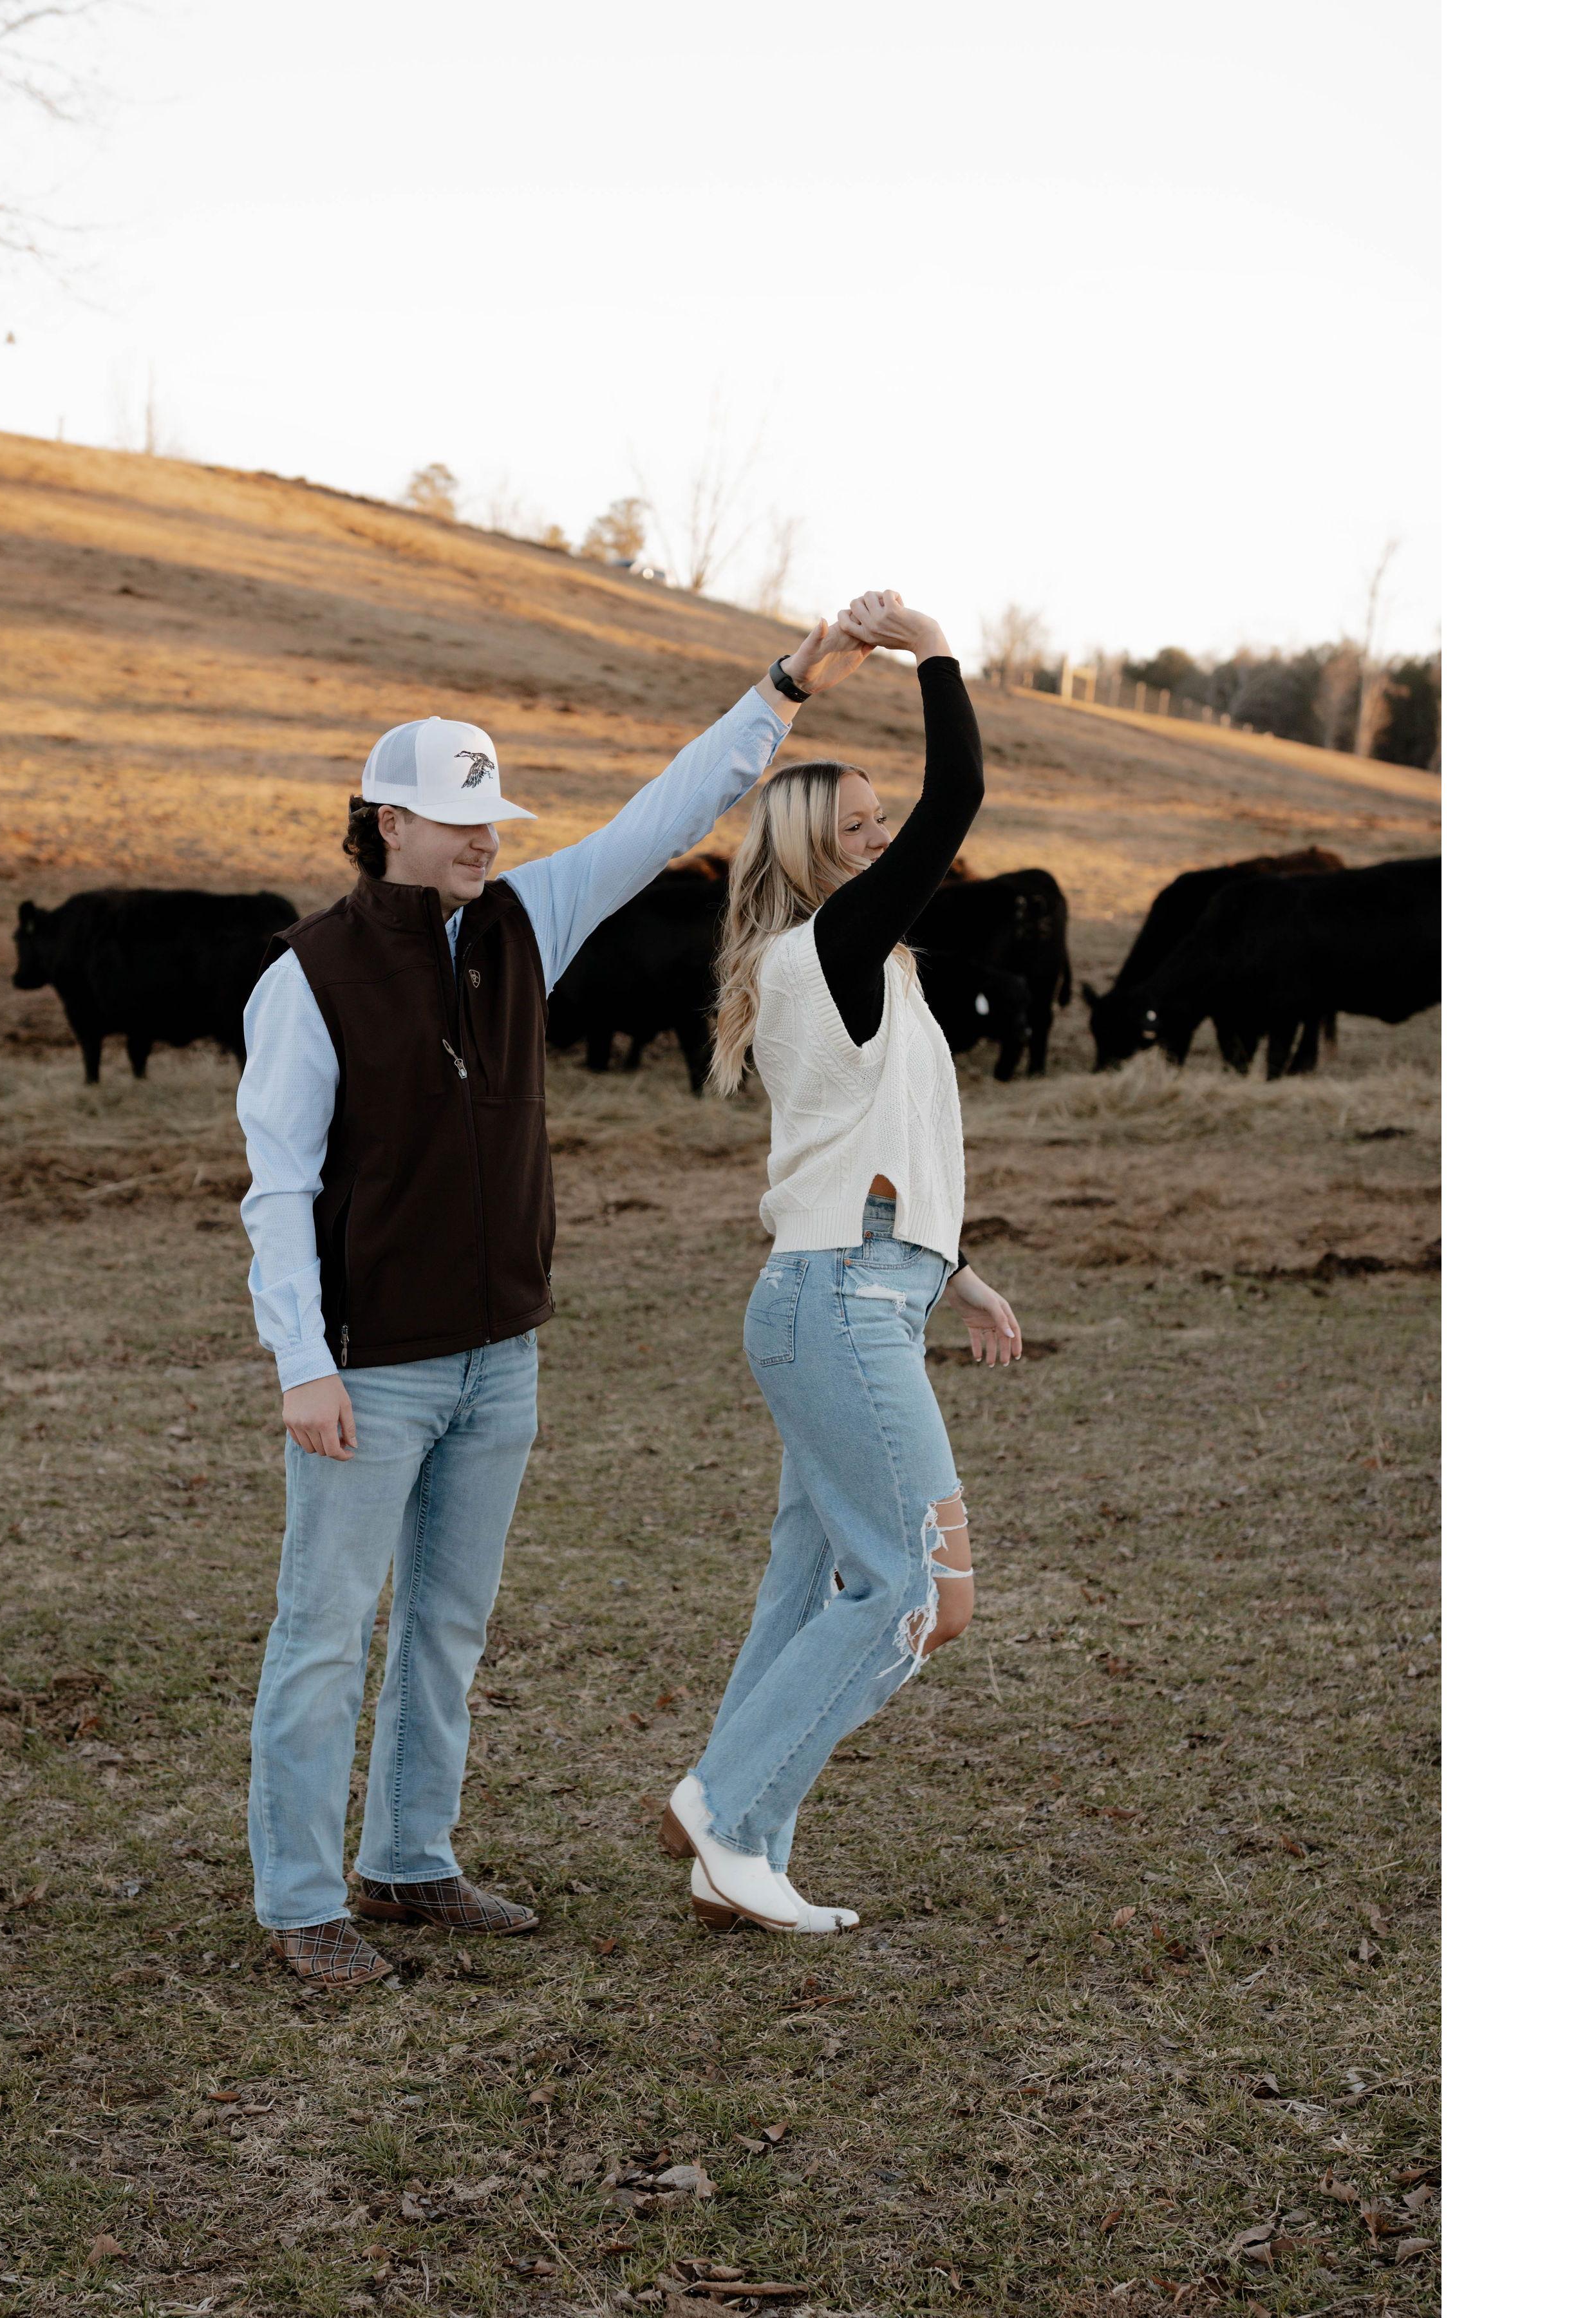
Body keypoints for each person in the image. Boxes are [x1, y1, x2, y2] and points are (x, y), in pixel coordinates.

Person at [236, 617, 876, 1986]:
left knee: (448, 1625)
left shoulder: (529, 918)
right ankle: (299, 1899)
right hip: (369, 1364)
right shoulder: (306, 977)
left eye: (493, 818)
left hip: (499, 1357)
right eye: (458, 819)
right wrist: (301, 1359)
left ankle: (410, 1861)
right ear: (389, 822)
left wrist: (783, 691)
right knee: (325, 1634)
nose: (484, 839)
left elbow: (666, 814)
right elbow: (277, 1187)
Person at [660, 590, 1025, 1935]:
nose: (885, 839)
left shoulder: (823, 960)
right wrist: (934, 652)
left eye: (883, 822)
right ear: (820, 855)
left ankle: (738, 1846)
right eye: (862, 827)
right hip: (842, 1303)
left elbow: (875, 1142)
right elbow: (960, 795)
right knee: (920, 1594)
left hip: (848, 1288)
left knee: (812, 1589)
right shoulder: (842, 944)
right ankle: (724, 1803)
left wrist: (957, 1272)